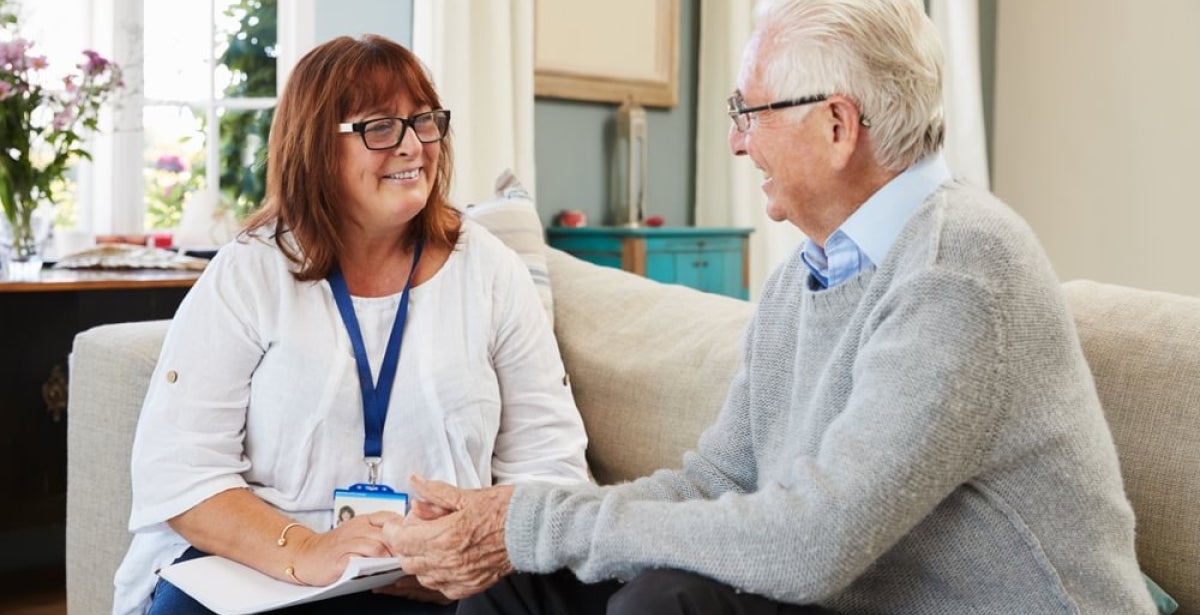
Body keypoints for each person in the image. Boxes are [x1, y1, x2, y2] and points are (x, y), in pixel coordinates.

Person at [380, 1, 1159, 613]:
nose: (735, 143)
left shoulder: (961, 266)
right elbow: (718, 476)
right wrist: (520, 524)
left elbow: (813, 541)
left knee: (663, 600)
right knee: (518, 586)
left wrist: (530, 523)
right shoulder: (806, 276)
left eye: (748, 113)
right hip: (855, 598)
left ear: (836, 124)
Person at [111, 34, 589, 615]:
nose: (413, 146)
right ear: (316, 148)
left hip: (444, 579)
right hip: (263, 568)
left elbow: (551, 465)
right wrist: (309, 550)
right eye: (381, 127)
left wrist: (466, 552)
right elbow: (180, 473)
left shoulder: (489, 270)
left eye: (424, 122)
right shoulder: (250, 272)